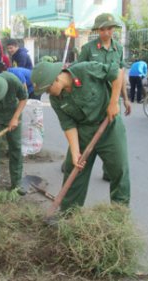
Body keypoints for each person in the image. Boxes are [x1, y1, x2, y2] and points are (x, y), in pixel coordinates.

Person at [31, 61, 130, 210]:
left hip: (109, 126)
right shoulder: (56, 99)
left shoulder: (86, 70)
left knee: (119, 170)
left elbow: (117, 73)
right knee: (74, 169)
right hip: (83, 132)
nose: (48, 94)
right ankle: (68, 214)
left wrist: (114, 102)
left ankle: (119, 213)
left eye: (48, 89)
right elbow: (68, 124)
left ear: (56, 79)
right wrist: (75, 152)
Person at [77, 12, 131, 182]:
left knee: (113, 135)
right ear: (97, 31)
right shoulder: (88, 49)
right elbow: (79, 74)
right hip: (93, 101)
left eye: (110, 29)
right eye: (103, 30)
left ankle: (110, 170)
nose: (106, 33)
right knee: (87, 135)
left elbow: (120, 75)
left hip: (113, 100)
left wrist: (126, 98)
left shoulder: (119, 49)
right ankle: (73, 161)